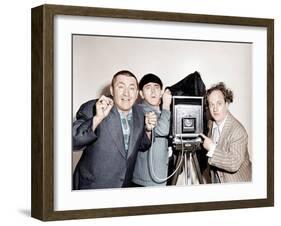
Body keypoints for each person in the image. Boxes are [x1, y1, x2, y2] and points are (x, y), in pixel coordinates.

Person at [72, 70, 157, 189]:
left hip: (123, 188)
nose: (126, 93)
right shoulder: (94, 107)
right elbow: (72, 141)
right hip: (93, 187)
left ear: (137, 92)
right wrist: (97, 118)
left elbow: (141, 145)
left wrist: (148, 130)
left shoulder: (139, 112)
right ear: (112, 90)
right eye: (121, 87)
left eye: (132, 88)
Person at [200, 82, 252, 183]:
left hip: (237, 184)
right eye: (211, 105)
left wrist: (212, 148)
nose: (215, 109)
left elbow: (234, 163)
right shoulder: (211, 124)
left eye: (219, 103)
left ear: (227, 104)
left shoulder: (238, 131)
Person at [132, 73, 172, 186]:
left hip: (160, 177)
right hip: (144, 181)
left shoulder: (160, 112)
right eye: (148, 87)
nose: (153, 92)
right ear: (141, 94)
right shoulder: (140, 110)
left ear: (161, 92)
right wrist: (166, 105)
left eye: (156, 87)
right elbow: (163, 130)